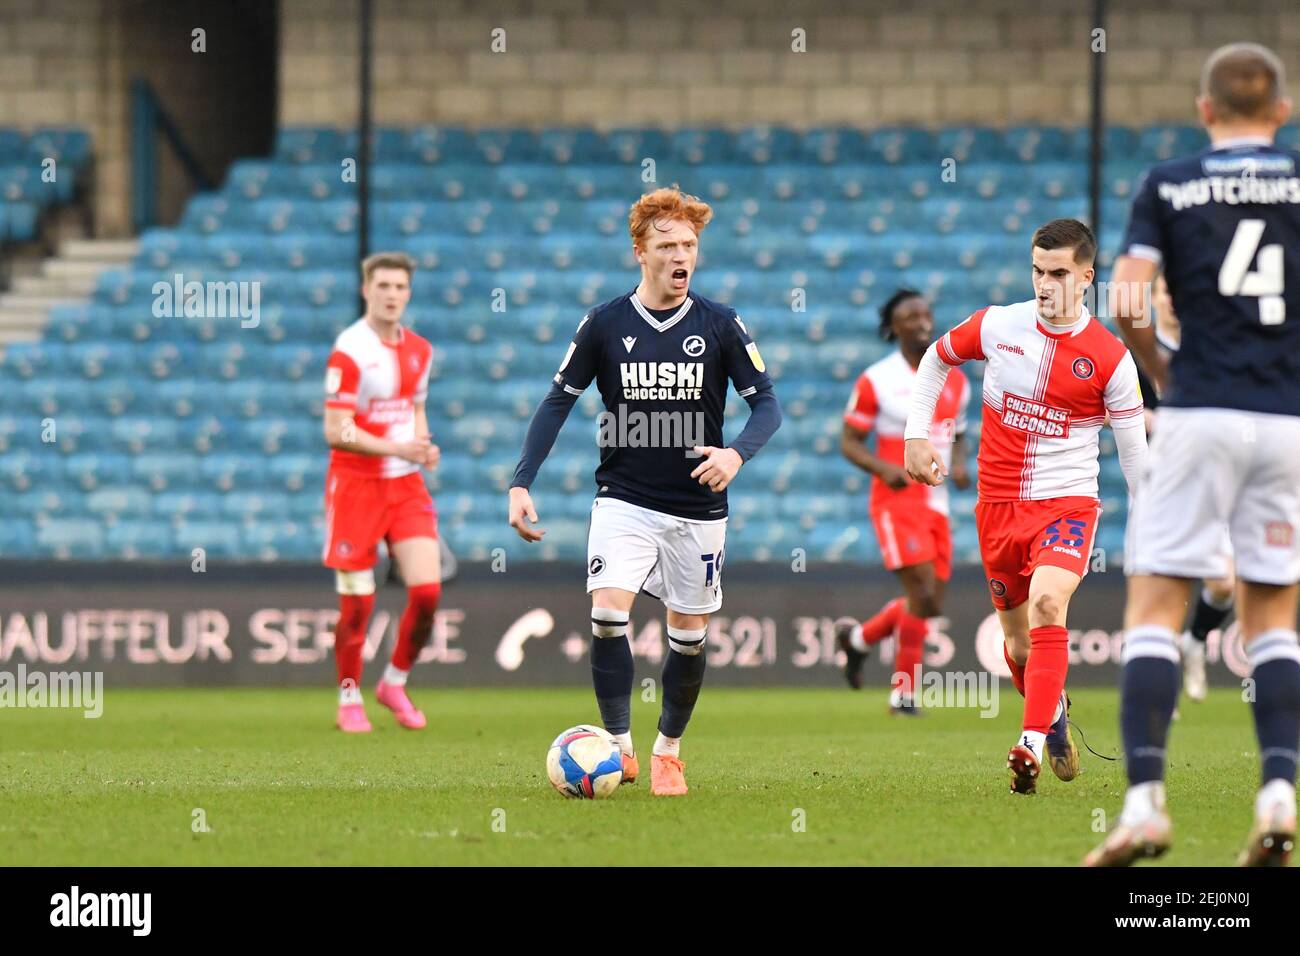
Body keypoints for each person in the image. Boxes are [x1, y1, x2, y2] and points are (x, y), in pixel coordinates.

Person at [1088, 43, 1300, 867]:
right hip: (1285, 420)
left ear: (1204, 111)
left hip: (1200, 408)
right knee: (1275, 617)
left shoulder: (1169, 183)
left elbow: (1129, 295)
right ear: (1281, 112)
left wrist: (1161, 365)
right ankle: (1279, 794)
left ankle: (1144, 805)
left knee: (1155, 609)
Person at [507, 187, 782, 796]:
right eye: (667, 245)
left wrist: (736, 452)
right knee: (608, 616)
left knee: (690, 635)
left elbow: (767, 406)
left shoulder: (721, 323)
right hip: (623, 497)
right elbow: (559, 400)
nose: (680, 256)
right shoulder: (605, 323)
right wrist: (522, 481)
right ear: (641, 251)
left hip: (697, 508)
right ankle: (619, 749)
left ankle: (669, 751)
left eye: (689, 245)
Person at [905, 219, 1148, 794]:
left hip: (1067, 505)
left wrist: (1153, 537)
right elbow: (936, 360)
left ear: (1087, 277)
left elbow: (1136, 463)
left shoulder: (1111, 359)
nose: (1045, 284)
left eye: (1059, 273)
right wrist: (918, 435)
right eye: (1038, 271)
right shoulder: (997, 325)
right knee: (1017, 643)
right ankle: (1055, 718)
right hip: (998, 508)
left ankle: (1030, 742)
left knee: (1047, 604)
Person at [322, 252, 442, 733]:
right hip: (355, 486)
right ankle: (348, 694)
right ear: (365, 289)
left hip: (405, 486)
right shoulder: (349, 350)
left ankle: (394, 682)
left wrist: (422, 447)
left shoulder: (420, 350)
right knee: (358, 605)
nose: (392, 294)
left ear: (408, 294)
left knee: (428, 592)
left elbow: (415, 411)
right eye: (383, 285)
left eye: (400, 287)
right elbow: (336, 429)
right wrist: (397, 446)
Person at [836, 289, 971, 714]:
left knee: (929, 602)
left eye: (926, 313)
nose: (921, 321)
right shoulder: (876, 379)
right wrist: (883, 468)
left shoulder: (955, 377)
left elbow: (960, 432)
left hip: (938, 499)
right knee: (922, 589)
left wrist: (963, 464)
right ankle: (904, 693)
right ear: (894, 327)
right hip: (897, 497)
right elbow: (849, 441)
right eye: (910, 316)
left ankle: (858, 640)